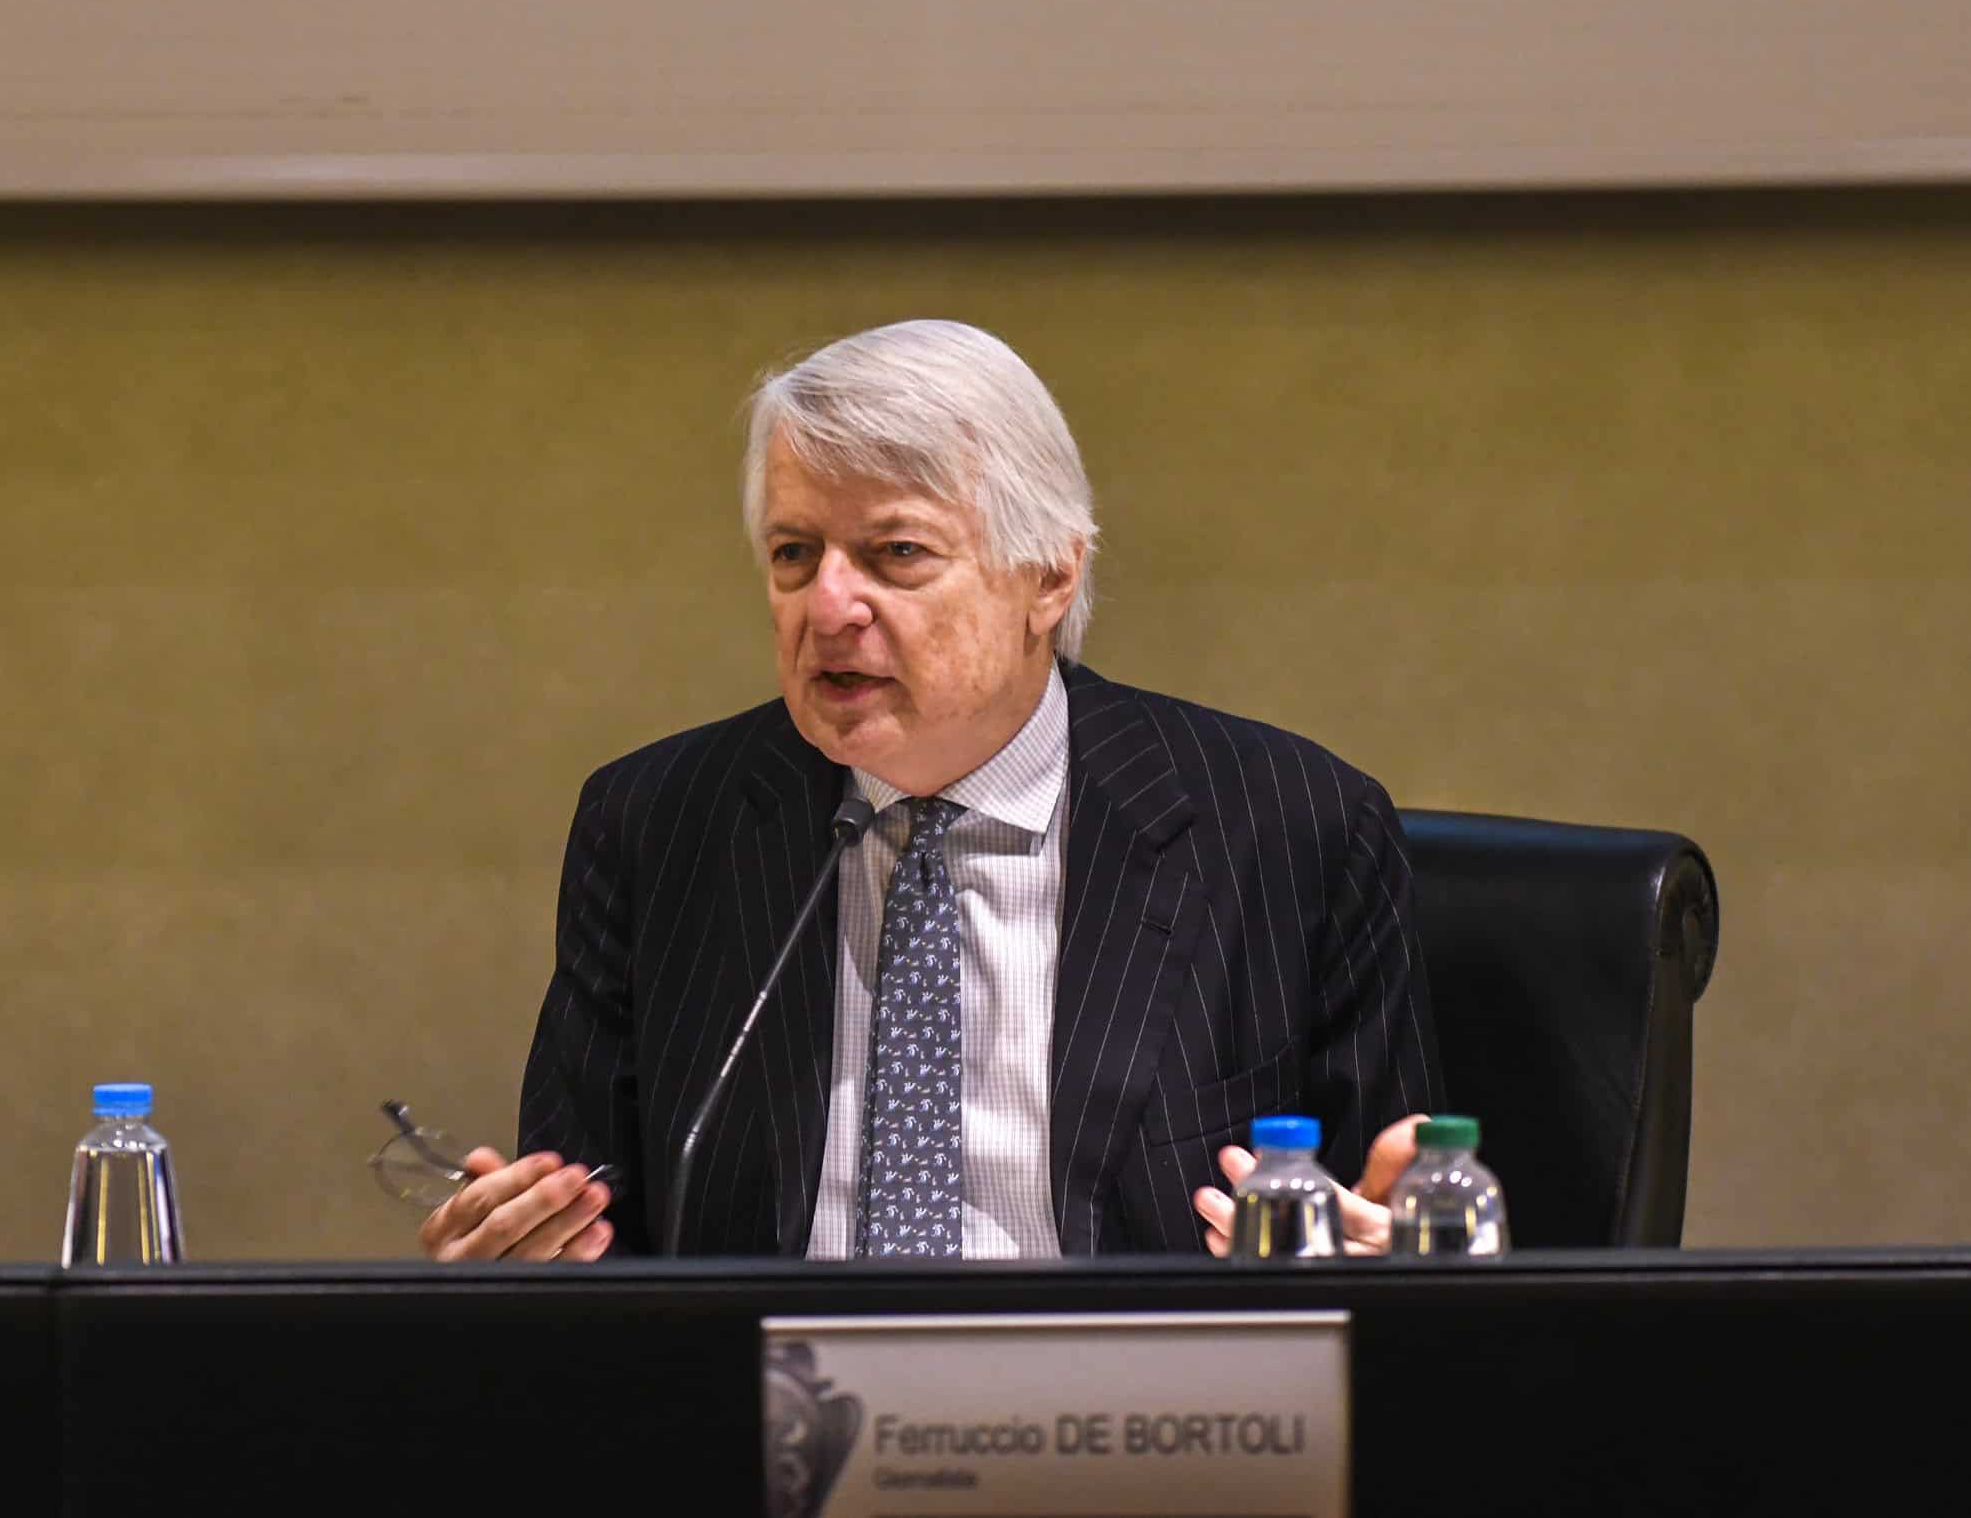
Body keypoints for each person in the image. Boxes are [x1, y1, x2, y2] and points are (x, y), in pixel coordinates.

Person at [420, 320, 1440, 1262]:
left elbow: (1389, 1228)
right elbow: (591, 1232)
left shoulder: (1291, 827)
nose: (829, 606)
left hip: (1135, 1392)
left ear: (1049, 576)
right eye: (794, 554)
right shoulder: (658, 827)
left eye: (896, 553)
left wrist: (1381, 1258)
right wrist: (522, 1255)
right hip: (770, 1391)